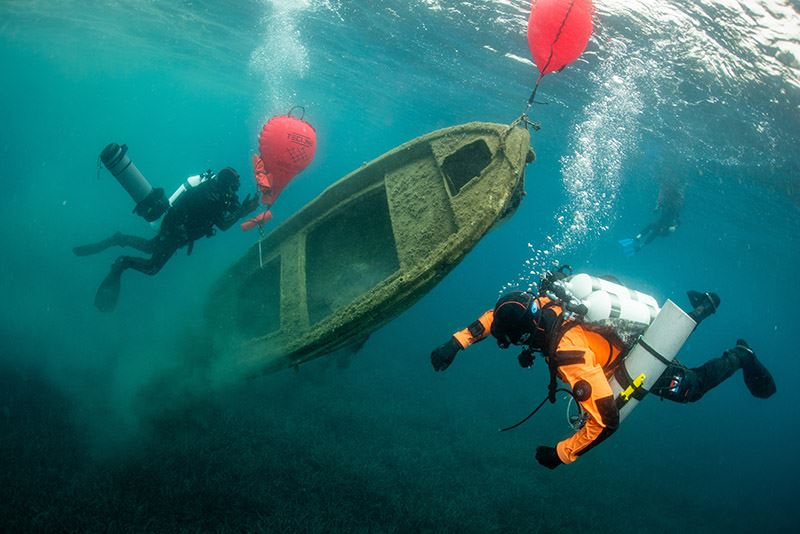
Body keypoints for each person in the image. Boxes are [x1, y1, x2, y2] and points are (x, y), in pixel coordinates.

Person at [429, 271, 776, 470]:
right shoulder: (543, 303)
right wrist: (456, 343)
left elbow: (606, 420)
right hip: (612, 343)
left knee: (691, 388)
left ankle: (741, 354)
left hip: (629, 360)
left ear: (525, 331)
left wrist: (561, 453)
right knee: (677, 358)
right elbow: (497, 314)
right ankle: (705, 307)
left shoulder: (568, 353)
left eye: (512, 339)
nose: (510, 342)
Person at [73, 167, 259, 312]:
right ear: (225, 184)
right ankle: (123, 262)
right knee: (152, 267)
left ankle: (119, 239)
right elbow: (224, 225)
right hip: (176, 232)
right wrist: (243, 212)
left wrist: (240, 208)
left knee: (149, 246)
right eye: (233, 188)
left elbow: (230, 206)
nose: (234, 192)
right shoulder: (211, 197)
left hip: (174, 227)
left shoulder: (217, 191)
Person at [619, 175, 685, 256]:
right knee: (653, 229)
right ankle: (639, 239)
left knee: (654, 230)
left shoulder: (673, 209)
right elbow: (666, 207)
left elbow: (676, 218)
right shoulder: (671, 206)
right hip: (665, 223)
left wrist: (673, 226)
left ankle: (639, 242)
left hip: (667, 226)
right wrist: (658, 208)